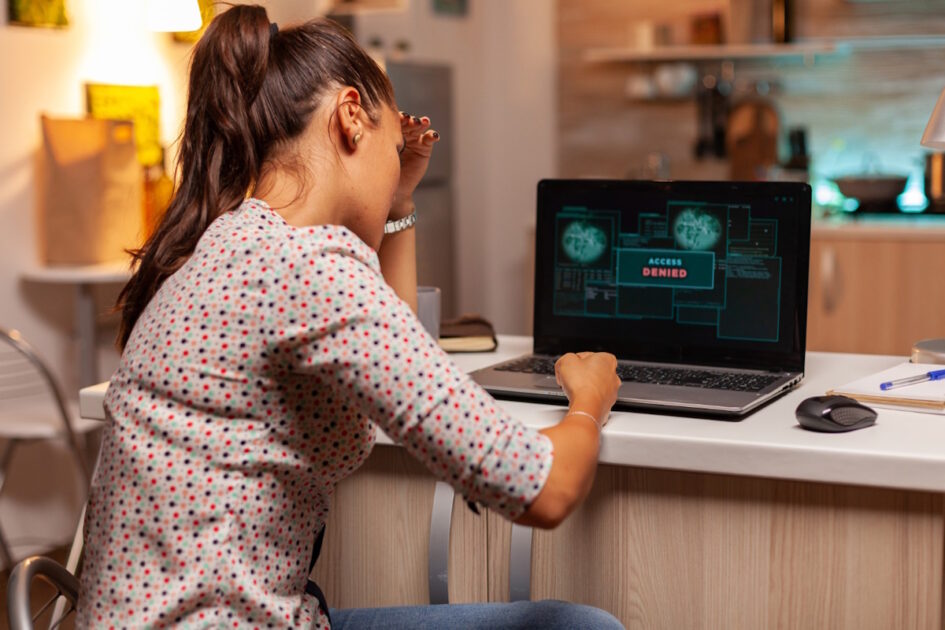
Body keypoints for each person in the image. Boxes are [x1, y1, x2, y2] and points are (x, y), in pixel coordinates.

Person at [76, 5, 623, 629]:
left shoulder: (232, 242)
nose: (396, 167)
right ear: (349, 117)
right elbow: (544, 490)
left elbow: (401, 361)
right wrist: (589, 400)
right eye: (394, 149)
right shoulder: (305, 265)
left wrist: (401, 200)